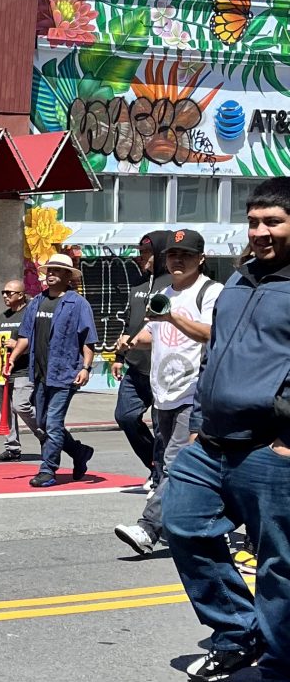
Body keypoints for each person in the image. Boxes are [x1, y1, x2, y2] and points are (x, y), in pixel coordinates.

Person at [161, 180, 290, 682]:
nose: (260, 232)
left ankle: (282, 672)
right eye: (254, 221)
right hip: (210, 439)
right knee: (181, 522)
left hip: (270, 447)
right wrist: (199, 415)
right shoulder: (240, 278)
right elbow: (220, 348)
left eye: (273, 223)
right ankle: (240, 630)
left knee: (278, 564)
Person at [115, 229, 219, 559]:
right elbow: (153, 330)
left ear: (200, 259)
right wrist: (131, 341)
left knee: (176, 463)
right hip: (163, 392)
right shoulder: (163, 291)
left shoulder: (211, 292)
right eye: (173, 255)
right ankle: (202, 523)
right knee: (171, 465)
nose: (177, 260)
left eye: (186, 255)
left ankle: (148, 528)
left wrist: (171, 316)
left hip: (193, 391)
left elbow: (214, 333)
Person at [5, 254, 97, 487]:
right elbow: (25, 336)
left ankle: (48, 470)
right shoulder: (36, 302)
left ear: (68, 275)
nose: (52, 274)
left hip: (65, 374)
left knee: (53, 423)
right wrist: (12, 359)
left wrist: (86, 367)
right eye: (49, 270)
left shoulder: (78, 304)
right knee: (44, 424)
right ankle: (79, 451)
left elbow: (88, 339)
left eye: (58, 270)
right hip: (39, 374)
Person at [110, 231, 170, 477]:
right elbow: (128, 323)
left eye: (145, 252)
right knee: (125, 416)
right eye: (139, 253)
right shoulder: (138, 286)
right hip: (135, 367)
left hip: (163, 369)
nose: (140, 258)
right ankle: (152, 464)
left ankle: (161, 477)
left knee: (161, 428)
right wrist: (119, 358)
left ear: (160, 254)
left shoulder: (173, 286)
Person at [0, 277, 38, 462]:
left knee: (21, 405)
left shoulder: (30, 315)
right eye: (3, 293)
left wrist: (17, 345)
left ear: (21, 295)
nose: (5, 296)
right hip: (3, 371)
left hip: (24, 370)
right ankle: (12, 448)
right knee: (6, 410)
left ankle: (47, 436)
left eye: (9, 293)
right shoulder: (3, 317)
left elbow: (37, 342)